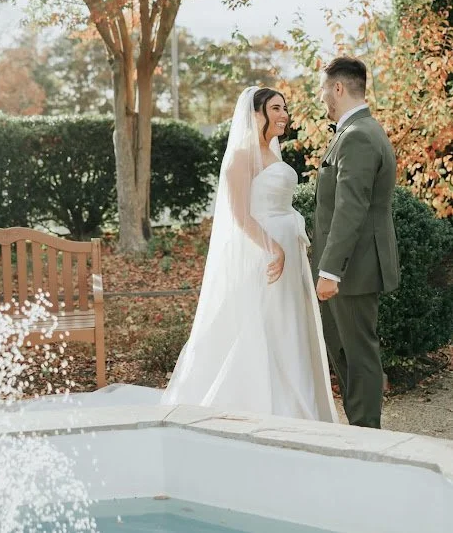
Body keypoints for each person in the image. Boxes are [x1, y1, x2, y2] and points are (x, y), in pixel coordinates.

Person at [161, 86, 338, 423]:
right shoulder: (240, 159)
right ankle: (266, 404)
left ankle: (301, 401)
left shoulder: (274, 151)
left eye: (285, 108)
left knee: (290, 324)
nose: (284, 114)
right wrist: (275, 248)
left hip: (292, 252)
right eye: (276, 108)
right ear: (256, 114)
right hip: (266, 254)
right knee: (266, 325)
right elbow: (241, 216)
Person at [313, 56, 400, 429]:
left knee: (358, 352)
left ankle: (367, 437)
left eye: (322, 89)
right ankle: (360, 431)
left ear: (338, 88)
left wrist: (331, 270)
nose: (320, 98)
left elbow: (351, 208)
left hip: (354, 268)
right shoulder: (355, 131)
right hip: (353, 265)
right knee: (347, 351)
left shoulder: (359, 136)